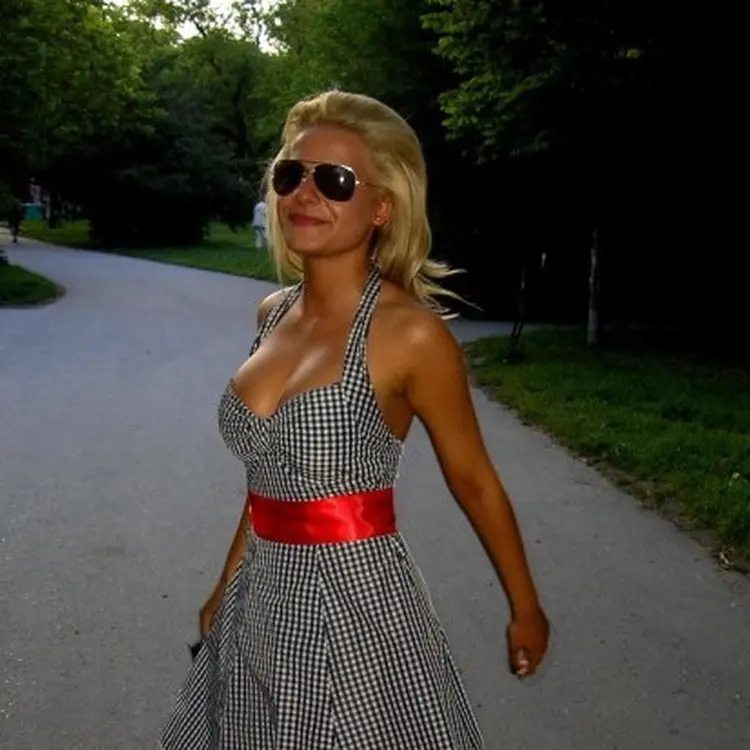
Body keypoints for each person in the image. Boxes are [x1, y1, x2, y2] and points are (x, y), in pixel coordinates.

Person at [160, 90, 549, 749]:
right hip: (260, 600)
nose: (304, 195)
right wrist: (226, 582)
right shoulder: (273, 315)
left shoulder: (411, 336)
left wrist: (526, 608)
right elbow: (269, 481)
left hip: (352, 606)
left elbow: (475, 480)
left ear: (381, 207)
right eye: (291, 175)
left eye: (335, 180)